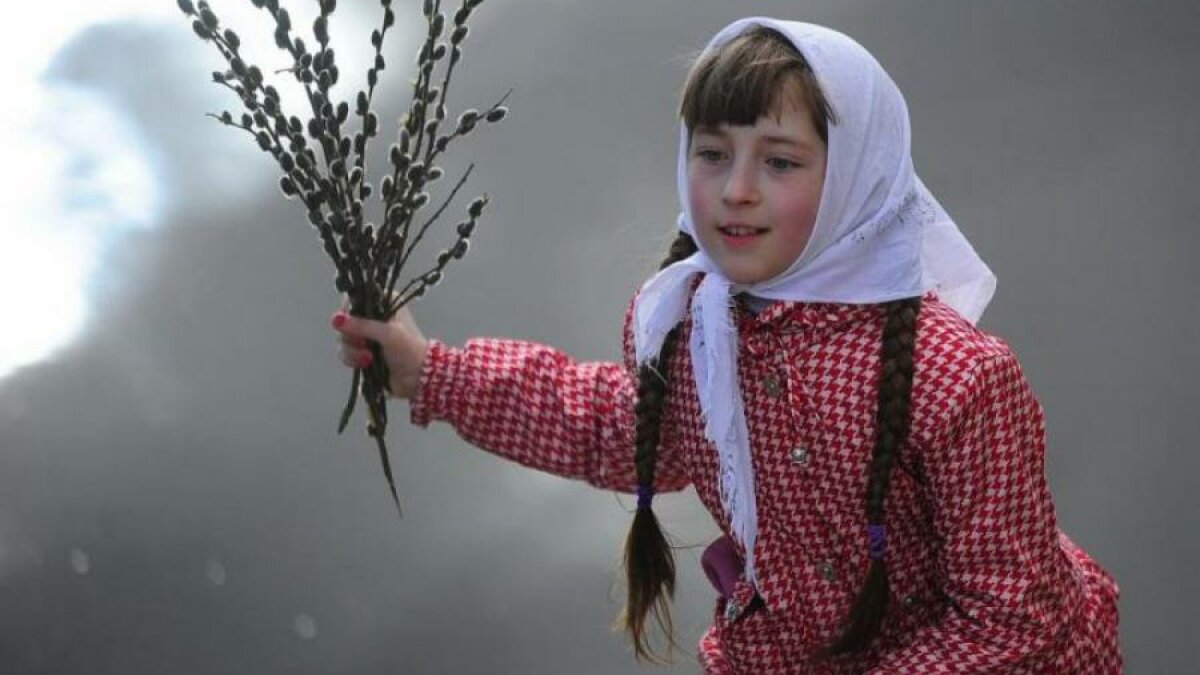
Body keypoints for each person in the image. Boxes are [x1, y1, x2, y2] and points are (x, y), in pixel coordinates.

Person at [330, 17, 1122, 674]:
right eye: (713, 153)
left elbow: (1012, 612)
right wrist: (431, 372)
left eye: (779, 161)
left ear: (855, 179)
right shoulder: (698, 327)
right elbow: (611, 421)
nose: (736, 188)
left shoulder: (958, 378)